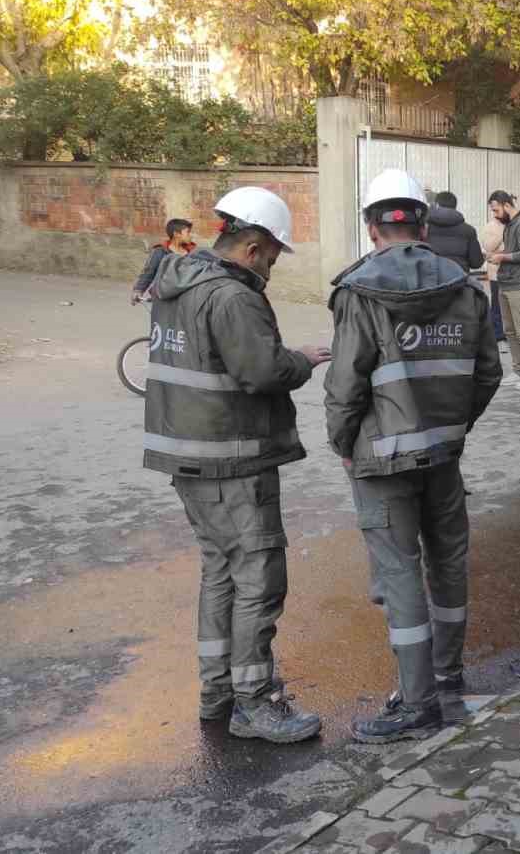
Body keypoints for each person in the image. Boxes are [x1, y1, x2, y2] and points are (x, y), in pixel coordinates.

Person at [142, 186, 332, 743]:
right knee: (258, 579)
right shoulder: (232, 296)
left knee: (221, 573)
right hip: (233, 460)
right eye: (273, 255)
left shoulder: (176, 284)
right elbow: (260, 373)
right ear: (252, 247)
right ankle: (255, 702)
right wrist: (300, 361)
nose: (273, 265)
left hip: (189, 456)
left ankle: (217, 691)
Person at [324, 169, 501, 742]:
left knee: (400, 576)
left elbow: (345, 386)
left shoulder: (358, 291)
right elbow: (488, 373)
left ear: (372, 228)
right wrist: (454, 427)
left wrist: (343, 446)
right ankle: (447, 675)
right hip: (444, 457)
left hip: (382, 460)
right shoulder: (466, 287)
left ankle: (418, 704)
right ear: (421, 224)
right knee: (447, 564)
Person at [486, 191, 520, 389]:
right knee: (510, 331)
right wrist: (499, 254)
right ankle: (518, 371)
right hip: (506, 284)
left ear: (507, 205)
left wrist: (501, 258)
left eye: (496, 210)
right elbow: (512, 251)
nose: (495, 214)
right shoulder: (509, 225)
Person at [131, 218, 196, 304]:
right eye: (188, 232)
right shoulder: (160, 251)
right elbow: (149, 271)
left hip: (187, 297)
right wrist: (138, 290)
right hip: (165, 297)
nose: (191, 235)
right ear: (176, 234)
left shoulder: (193, 251)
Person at [425, 190, 484, 274]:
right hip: (459, 281)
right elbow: (476, 263)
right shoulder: (469, 230)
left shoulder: (424, 228)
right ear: (455, 206)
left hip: (432, 280)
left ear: (437, 205)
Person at [477, 206, 508, 354]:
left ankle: (508, 335)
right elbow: (488, 247)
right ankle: (498, 337)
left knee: (509, 305)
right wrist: (503, 234)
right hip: (496, 272)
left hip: (512, 272)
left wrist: (501, 252)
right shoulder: (490, 227)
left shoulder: (513, 223)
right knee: (497, 304)